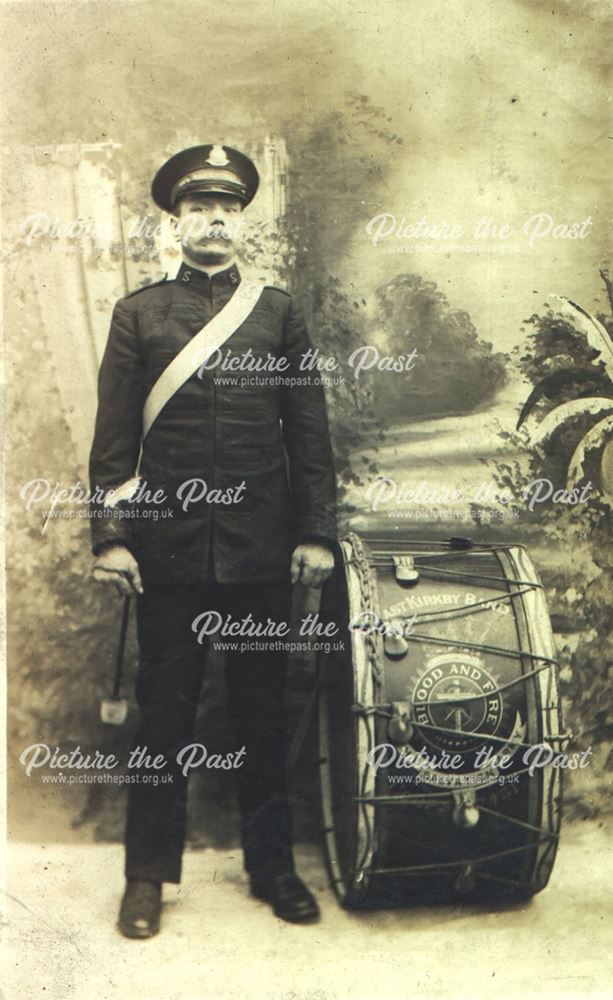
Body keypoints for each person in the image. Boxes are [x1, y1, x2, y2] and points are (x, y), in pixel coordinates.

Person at [89, 144, 337, 937]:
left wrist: (316, 533)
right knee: (163, 717)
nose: (214, 222)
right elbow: (114, 438)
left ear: (241, 220)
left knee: (262, 714)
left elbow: (309, 432)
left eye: (227, 209)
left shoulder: (277, 312)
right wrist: (112, 536)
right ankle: (146, 878)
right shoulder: (139, 314)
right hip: (167, 555)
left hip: (261, 549)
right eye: (198, 209)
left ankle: (272, 868)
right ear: (176, 220)